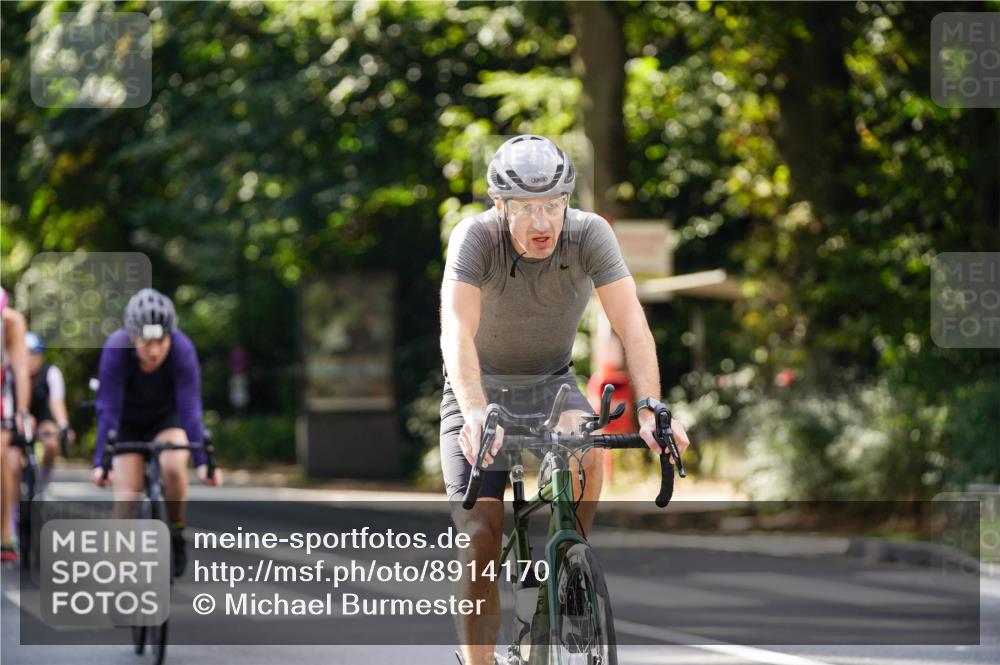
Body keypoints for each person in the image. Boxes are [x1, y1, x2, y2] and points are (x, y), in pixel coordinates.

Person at [439, 135, 691, 665]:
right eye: (526, 207)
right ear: (498, 204)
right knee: (480, 538)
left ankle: (568, 562)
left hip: (551, 384)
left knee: (588, 446)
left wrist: (651, 407)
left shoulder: (589, 234)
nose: (542, 222)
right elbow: (456, 332)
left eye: (553, 205)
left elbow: (632, 324)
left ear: (567, 201)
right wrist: (475, 411)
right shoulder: (475, 238)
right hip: (479, 390)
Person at [91, 288, 223, 575]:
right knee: (127, 497)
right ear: (132, 337)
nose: (154, 351)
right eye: (146, 342)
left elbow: (190, 409)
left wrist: (203, 463)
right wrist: (102, 462)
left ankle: (176, 528)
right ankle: (120, 577)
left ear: (170, 336)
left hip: (166, 417)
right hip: (126, 421)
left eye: (160, 341)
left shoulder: (182, 349)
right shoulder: (116, 348)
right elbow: (108, 410)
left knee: (173, 468)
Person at [0, 287, 33, 563]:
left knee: (2, 453)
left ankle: (4, 532)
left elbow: (21, 371)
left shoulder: (12, 322)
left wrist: (22, 410)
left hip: (1, 390)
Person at [20, 331, 75, 488]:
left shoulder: (51, 372)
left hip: (42, 419)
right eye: (27, 354)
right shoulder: (11, 372)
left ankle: (45, 473)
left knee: (51, 440)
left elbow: (57, 402)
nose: (30, 359)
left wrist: (64, 425)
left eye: (35, 354)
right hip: (18, 420)